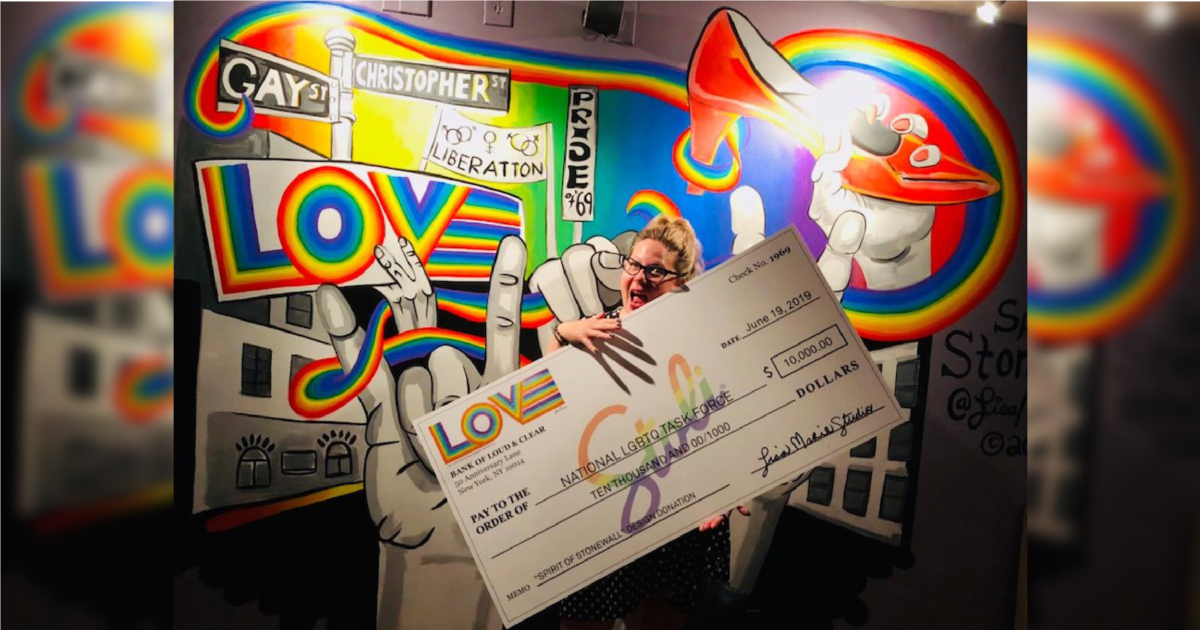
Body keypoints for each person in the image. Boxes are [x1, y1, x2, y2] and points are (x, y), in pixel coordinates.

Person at [549, 216, 748, 630]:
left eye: (655, 271)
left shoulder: (703, 340)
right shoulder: (592, 329)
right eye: (633, 265)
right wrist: (561, 331)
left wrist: (731, 485)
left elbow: (733, 421)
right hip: (606, 507)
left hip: (684, 512)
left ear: (681, 282)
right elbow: (546, 406)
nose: (639, 279)